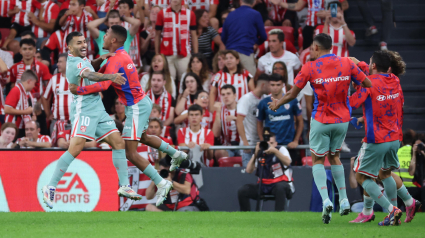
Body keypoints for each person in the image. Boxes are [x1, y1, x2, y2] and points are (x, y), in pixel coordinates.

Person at [69, 27, 190, 203]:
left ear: (113, 40)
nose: (104, 35)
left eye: (107, 33)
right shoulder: (120, 55)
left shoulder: (115, 60)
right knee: (145, 138)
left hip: (135, 107)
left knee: (130, 153)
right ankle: (176, 154)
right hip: (141, 103)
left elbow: (103, 84)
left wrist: (79, 90)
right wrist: (98, 61)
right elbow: (100, 72)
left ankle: (161, 182)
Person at [268, 33, 371, 224]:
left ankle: (326, 200)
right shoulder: (347, 63)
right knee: (335, 157)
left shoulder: (310, 66)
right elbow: (368, 83)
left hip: (321, 119)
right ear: (330, 47)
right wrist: (357, 66)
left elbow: (293, 93)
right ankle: (345, 200)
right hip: (342, 120)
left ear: (315, 48)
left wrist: (278, 104)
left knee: (318, 160)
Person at [41, 31, 142, 209]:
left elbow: (89, 68)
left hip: (97, 108)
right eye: (79, 43)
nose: (84, 45)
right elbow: (90, 75)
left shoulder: (82, 58)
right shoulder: (75, 62)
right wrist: (110, 76)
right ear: (69, 47)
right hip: (84, 109)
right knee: (76, 148)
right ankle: (50, 186)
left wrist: (100, 59)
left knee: (118, 142)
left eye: (84, 41)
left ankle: (125, 186)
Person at [349, 51, 416, 225]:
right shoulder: (394, 80)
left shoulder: (368, 84)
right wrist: (355, 62)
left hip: (376, 139)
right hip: (394, 138)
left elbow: (353, 103)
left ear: (373, 66)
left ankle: (391, 210)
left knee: (361, 177)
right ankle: (395, 216)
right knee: (385, 174)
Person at [238, 133, 293, 211]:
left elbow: (288, 162)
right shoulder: (261, 152)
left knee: (280, 188)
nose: (269, 146)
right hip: (263, 185)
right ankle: (246, 217)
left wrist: (275, 152)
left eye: (271, 143)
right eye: (267, 144)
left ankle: (279, 217)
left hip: (280, 183)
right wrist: (256, 154)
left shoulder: (281, 149)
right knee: (243, 190)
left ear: (276, 144)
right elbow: (248, 170)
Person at [155, 0, 198, 81]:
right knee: (169, 81)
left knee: (185, 80)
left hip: (184, 54)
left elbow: (194, 36)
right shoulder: (161, 13)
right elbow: (157, 35)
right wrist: (157, 54)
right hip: (167, 55)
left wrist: (195, 55)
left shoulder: (190, 14)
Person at [221, 0, 267, 76]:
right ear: (254, 2)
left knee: (230, 81)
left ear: (240, 1)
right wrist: (256, 42)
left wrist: (231, 46)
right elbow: (263, 36)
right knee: (249, 81)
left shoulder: (230, 15)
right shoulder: (255, 14)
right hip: (246, 52)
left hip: (230, 54)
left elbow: (223, 37)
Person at [257, 73, 303, 148]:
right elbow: (259, 124)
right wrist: (264, 141)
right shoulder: (263, 103)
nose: (275, 87)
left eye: (278, 85)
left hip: (289, 144)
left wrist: (296, 140)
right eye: (272, 85)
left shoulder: (292, 100)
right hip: (271, 145)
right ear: (268, 85)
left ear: (283, 85)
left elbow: (300, 121)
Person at [237, 74, 270, 167]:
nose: (271, 88)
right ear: (263, 85)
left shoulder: (264, 100)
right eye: (270, 85)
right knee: (249, 174)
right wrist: (245, 142)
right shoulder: (246, 99)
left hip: (260, 143)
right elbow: (239, 121)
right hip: (249, 143)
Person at [41, 53, 72, 146]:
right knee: (55, 148)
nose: (57, 64)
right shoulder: (54, 79)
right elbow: (44, 97)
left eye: (60, 62)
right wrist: (48, 114)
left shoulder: (78, 79)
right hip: (57, 122)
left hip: (74, 122)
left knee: (73, 147)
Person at [4, 70, 37, 138]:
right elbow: (7, 109)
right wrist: (26, 112)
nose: (34, 86)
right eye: (34, 83)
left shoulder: (27, 93)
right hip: (12, 128)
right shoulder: (16, 90)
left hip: (22, 127)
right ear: (29, 81)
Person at [212, 84, 239, 159]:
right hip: (227, 146)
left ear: (235, 95)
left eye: (228, 94)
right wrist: (217, 113)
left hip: (243, 146)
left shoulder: (242, 108)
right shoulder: (219, 111)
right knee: (218, 152)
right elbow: (215, 134)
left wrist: (236, 119)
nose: (226, 96)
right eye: (223, 94)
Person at [118, 0, 144, 68]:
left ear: (131, 9)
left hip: (134, 59)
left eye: (124, 7)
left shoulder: (135, 21)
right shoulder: (117, 23)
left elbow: (140, 23)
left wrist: (123, 17)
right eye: (120, 8)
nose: (122, 10)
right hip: (121, 60)